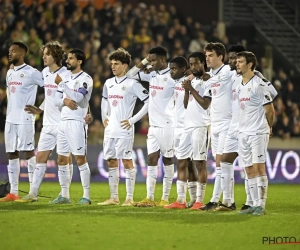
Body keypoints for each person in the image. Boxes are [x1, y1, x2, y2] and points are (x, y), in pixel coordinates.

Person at [15, 41, 91, 202]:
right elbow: (51, 96)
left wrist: (87, 113)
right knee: (41, 157)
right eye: (43, 54)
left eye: (47, 54)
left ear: (55, 56)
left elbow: (81, 96)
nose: (43, 56)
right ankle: (33, 194)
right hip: (48, 123)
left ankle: (66, 194)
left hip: (64, 121)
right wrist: (40, 108)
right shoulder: (44, 73)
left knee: (64, 159)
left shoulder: (67, 73)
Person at [98, 48, 149, 206]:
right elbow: (104, 100)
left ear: (125, 66)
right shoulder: (108, 83)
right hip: (110, 129)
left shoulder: (133, 84)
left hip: (125, 130)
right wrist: (104, 117)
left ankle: (129, 197)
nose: (113, 66)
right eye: (111, 63)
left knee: (127, 161)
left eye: (116, 64)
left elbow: (148, 102)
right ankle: (114, 197)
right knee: (111, 161)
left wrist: (133, 120)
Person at [126, 46, 175, 207]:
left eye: (154, 60)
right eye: (150, 60)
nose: (151, 63)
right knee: (151, 159)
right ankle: (149, 197)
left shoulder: (173, 75)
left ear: (163, 60)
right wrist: (145, 61)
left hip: (167, 125)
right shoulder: (152, 74)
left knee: (168, 160)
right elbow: (129, 75)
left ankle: (165, 198)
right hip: (153, 126)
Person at [165, 52, 211, 210]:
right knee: (182, 161)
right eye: (191, 64)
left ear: (204, 63)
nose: (193, 67)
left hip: (200, 126)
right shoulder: (193, 80)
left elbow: (205, 104)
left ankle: (199, 201)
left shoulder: (207, 80)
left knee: (199, 163)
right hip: (187, 126)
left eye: (196, 63)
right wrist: (187, 89)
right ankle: (181, 200)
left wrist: (190, 87)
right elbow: (185, 105)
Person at [0, 42, 44, 202]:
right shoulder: (9, 73)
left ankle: (33, 192)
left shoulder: (32, 73)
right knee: (12, 154)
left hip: (25, 118)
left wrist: (41, 108)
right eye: (9, 50)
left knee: (28, 152)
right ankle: (13, 192)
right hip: (10, 119)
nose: (9, 53)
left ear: (22, 54)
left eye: (13, 51)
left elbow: (52, 88)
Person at [53, 48, 93, 205]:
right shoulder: (64, 77)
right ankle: (64, 195)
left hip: (77, 122)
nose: (67, 61)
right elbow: (56, 101)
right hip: (63, 122)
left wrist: (62, 85)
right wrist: (64, 101)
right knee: (62, 159)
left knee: (80, 159)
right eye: (67, 58)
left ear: (79, 61)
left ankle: (87, 196)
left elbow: (77, 97)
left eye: (70, 59)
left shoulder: (86, 79)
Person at [236, 51, 274, 216]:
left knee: (259, 167)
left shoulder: (259, 85)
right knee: (248, 169)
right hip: (243, 132)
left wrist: (269, 127)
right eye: (237, 61)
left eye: (240, 61)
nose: (237, 64)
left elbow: (270, 110)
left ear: (250, 64)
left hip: (258, 132)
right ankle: (251, 203)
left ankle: (261, 205)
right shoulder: (238, 84)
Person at [200, 42, 233, 211]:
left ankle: (222, 200)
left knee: (223, 162)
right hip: (215, 123)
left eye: (211, 55)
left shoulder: (229, 71)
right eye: (206, 56)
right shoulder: (210, 76)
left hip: (228, 123)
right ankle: (222, 200)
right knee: (219, 163)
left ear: (221, 57)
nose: (207, 58)